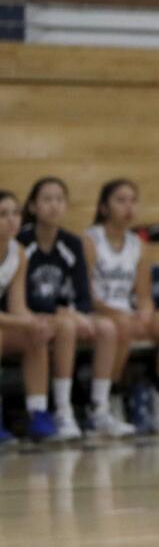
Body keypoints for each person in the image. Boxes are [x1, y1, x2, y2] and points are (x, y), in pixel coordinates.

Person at [19, 177, 133, 439]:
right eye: (47, 199)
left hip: (64, 313)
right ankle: (63, 410)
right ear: (34, 206)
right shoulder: (23, 242)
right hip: (33, 314)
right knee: (67, 326)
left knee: (106, 327)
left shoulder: (71, 243)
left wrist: (77, 313)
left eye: (59, 199)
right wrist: (62, 312)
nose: (54, 206)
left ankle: (99, 409)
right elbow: (21, 295)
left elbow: (83, 294)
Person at [84, 179, 159, 433]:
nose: (128, 207)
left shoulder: (138, 245)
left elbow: (143, 294)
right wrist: (118, 314)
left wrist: (145, 312)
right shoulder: (90, 240)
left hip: (126, 316)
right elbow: (85, 294)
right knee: (122, 325)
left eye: (132, 200)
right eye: (120, 200)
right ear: (104, 207)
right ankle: (111, 397)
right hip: (98, 314)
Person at [0, 189, 59, 443]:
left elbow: (17, 307)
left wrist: (35, 321)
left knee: (35, 335)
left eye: (15, 213)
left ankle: (39, 412)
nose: (12, 220)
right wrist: (24, 321)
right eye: (3, 214)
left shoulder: (18, 252)